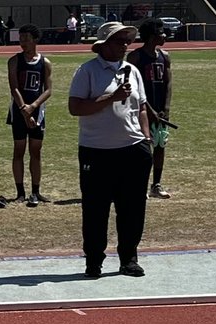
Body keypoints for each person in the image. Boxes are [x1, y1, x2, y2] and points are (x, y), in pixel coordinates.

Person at [69, 22, 151, 278]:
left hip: (133, 150)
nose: (124, 45)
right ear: (103, 44)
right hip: (97, 151)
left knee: (132, 209)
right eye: (118, 41)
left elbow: (142, 108)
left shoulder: (132, 71)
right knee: (95, 210)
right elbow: (76, 108)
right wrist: (110, 98)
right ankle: (94, 261)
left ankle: (129, 258)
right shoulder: (87, 71)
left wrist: (146, 140)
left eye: (127, 41)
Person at [7, 25, 54, 207]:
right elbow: (14, 88)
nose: (22, 42)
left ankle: (36, 191)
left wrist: (34, 106)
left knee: (36, 151)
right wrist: (24, 109)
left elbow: (48, 89)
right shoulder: (14, 61)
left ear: (35, 40)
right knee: (19, 150)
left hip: (38, 111)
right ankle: (20, 192)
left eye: (26, 38)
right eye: (21, 38)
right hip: (19, 111)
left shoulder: (45, 63)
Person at [128, 18, 174, 199]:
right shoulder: (136, 57)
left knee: (160, 146)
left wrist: (166, 108)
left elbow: (169, 83)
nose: (164, 36)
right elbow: (133, 87)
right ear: (152, 35)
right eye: (161, 33)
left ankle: (156, 185)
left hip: (160, 111)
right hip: (141, 110)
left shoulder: (165, 56)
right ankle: (138, 184)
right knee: (141, 149)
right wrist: (148, 109)